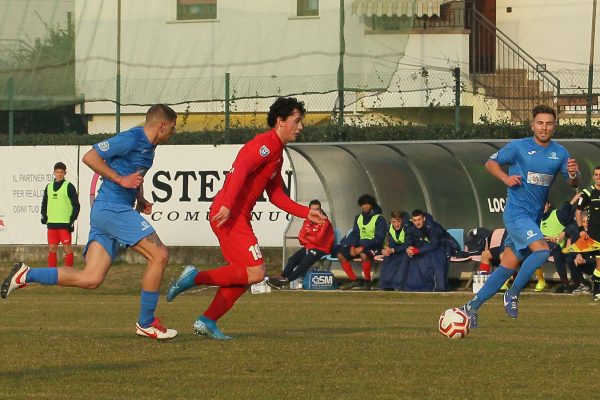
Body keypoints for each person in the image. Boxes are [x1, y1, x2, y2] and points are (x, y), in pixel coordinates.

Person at [1, 104, 179, 340]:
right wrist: (119, 179)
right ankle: (146, 323)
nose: (174, 133)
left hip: (112, 210)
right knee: (159, 255)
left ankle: (26, 274)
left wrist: (140, 197)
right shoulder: (131, 138)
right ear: (162, 125)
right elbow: (90, 156)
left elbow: (134, 175)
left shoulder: (150, 147)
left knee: (91, 278)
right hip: (111, 208)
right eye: (173, 128)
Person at [166, 97, 327, 340]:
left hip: (235, 215)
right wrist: (229, 205)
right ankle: (194, 277)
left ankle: (207, 320)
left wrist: (306, 212)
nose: (301, 126)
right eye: (297, 121)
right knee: (256, 272)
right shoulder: (265, 144)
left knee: (241, 275)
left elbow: (276, 196)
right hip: (228, 215)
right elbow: (239, 168)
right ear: (281, 121)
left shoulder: (277, 154)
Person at [460, 105, 580, 327]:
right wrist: (505, 179)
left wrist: (573, 174)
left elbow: (573, 182)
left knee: (507, 265)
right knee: (543, 251)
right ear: (532, 125)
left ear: (554, 126)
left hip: (532, 218)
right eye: (540, 123)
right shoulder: (518, 147)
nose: (544, 127)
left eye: (549, 123)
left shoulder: (560, 153)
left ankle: (470, 308)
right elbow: (490, 163)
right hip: (516, 215)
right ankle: (513, 293)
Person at [269, 199, 334, 288]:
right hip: (309, 247)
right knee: (292, 259)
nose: (316, 212)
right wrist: (310, 240)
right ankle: (282, 277)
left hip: (321, 249)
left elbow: (319, 240)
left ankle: (286, 280)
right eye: (313, 210)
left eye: (317, 209)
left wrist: (308, 238)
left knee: (303, 264)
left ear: (321, 210)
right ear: (310, 210)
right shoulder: (307, 221)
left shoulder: (324, 222)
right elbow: (300, 238)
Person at [336, 194, 386, 291]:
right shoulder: (358, 218)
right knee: (340, 254)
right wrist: (352, 246)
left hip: (374, 246)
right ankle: (353, 280)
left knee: (363, 255)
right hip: (359, 245)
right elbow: (355, 234)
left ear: (372, 205)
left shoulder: (379, 219)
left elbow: (379, 238)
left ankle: (367, 281)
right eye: (363, 205)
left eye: (367, 204)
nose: (365, 206)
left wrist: (362, 247)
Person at [41, 161, 80, 268]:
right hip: (52, 224)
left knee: (67, 248)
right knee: (52, 248)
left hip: (65, 224)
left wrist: (72, 220)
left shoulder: (69, 186)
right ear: (54, 172)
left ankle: (68, 271)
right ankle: (51, 272)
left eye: (61, 172)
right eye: (57, 172)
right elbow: (44, 203)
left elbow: (76, 205)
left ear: (65, 173)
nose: (59, 174)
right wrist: (43, 215)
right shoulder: (48, 186)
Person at [404, 209, 454, 291]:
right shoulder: (411, 227)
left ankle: (439, 287)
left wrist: (417, 250)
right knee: (414, 257)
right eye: (415, 220)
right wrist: (410, 248)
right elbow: (409, 239)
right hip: (429, 247)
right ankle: (417, 286)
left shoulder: (433, 226)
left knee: (435, 256)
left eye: (419, 219)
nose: (417, 222)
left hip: (445, 245)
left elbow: (435, 244)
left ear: (423, 218)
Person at [575, 166, 600, 300]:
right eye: (596, 174)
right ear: (593, 177)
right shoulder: (588, 192)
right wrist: (581, 230)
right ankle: (596, 290)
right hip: (595, 234)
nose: (598, 177)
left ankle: (595, 279)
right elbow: (578, 212)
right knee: (599, 264)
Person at [379, 210, 410, 290]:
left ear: (402, 220)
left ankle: (398, 285)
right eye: (394, 222)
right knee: (387, 258)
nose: (396, 224)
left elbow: (408, 243)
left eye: (398, 221)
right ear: (390, 221)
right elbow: (383, 241)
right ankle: (385, 285)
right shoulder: (388, 228)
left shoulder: (408, 228)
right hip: (395, 248)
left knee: (404, 259)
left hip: (406, 249)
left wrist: (393, 250)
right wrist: (385, 249)